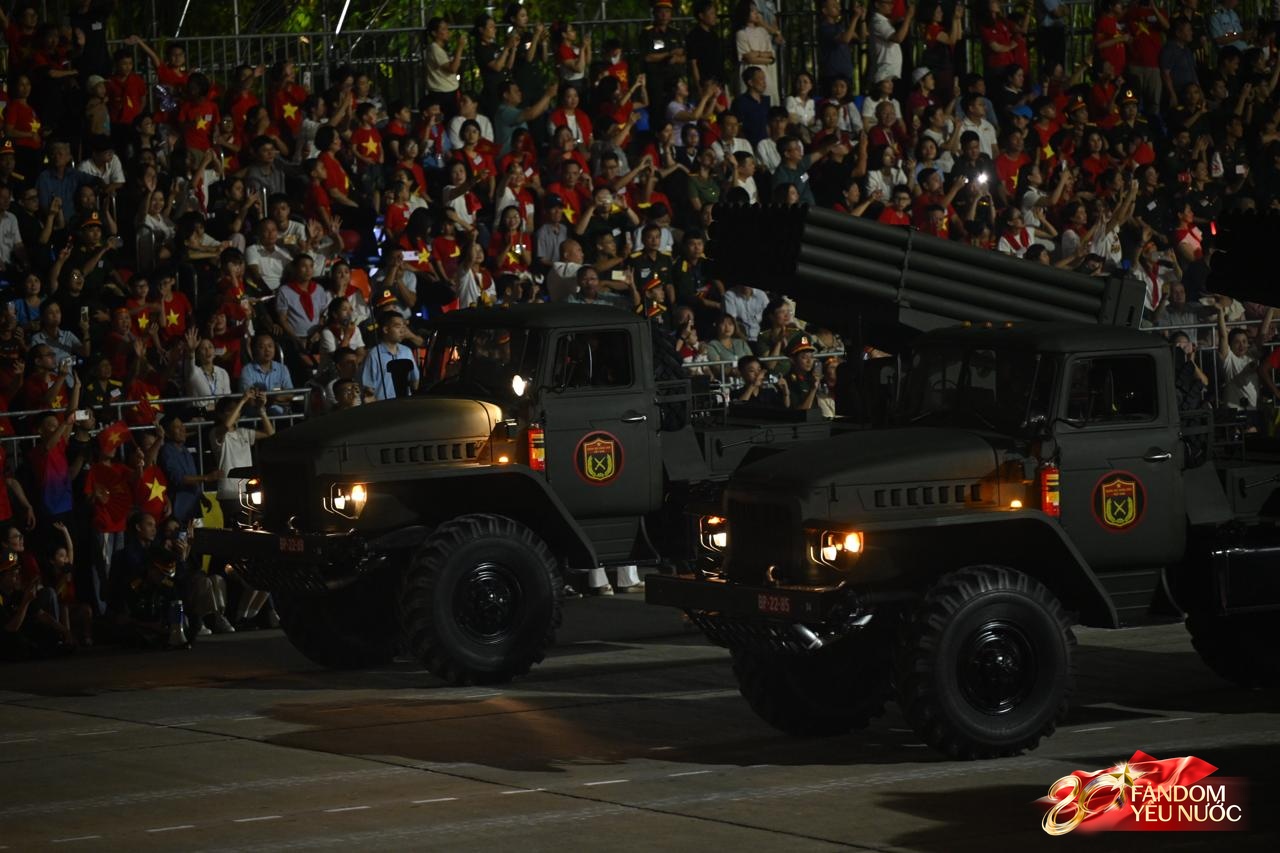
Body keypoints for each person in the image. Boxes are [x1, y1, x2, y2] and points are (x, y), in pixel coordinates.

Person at [361, 313, 420, 401]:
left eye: (403, 326)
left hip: (405, 405)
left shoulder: (407, 351)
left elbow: (415, 382)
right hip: (384, 408)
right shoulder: (374, 354)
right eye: (397, 326)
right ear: (385, 329)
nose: (402, 330)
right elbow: (368, 388)